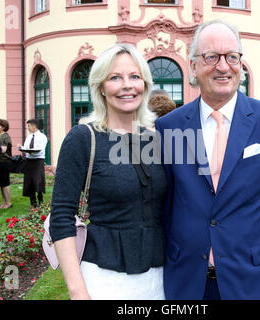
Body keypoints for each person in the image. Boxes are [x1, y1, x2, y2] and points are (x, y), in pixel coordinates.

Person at [155, 19, 260, 300]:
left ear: (240, 62)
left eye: (232, 56)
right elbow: (164, 206)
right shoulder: (169, 127)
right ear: (193, 66)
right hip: (188, 283)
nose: (223, 66)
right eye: (211, 57)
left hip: (256, 282)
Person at [49, 43, 166, 300]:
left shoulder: (157, 139)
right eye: (115, 77)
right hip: (104, 278)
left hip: (160, 277)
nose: (127, 85)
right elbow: (61, 217)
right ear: (101, 87)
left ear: (144, 85)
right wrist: (78, 290)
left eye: (135, 76)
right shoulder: (83, 139)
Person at [18, 119, 48, 208]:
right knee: (29, 180)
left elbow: (40, 149)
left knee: (38, 180)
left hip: (38, 160)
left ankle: (40, 199)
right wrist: (21, 147)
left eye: (29, 126)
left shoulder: (42, 137)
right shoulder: (29, 137)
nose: (28, 128)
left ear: (34, 126)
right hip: (29, 160)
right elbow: (26, 147)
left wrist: (32, 151)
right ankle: (33, 201)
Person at [0, 119, 13, 209]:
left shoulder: (5, 136)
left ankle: (8, 202)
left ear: (3, 127)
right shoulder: (0, 136)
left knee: (5, 183)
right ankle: (4, 202)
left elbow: (3, 150)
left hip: (5, 162)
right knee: (2, 184)